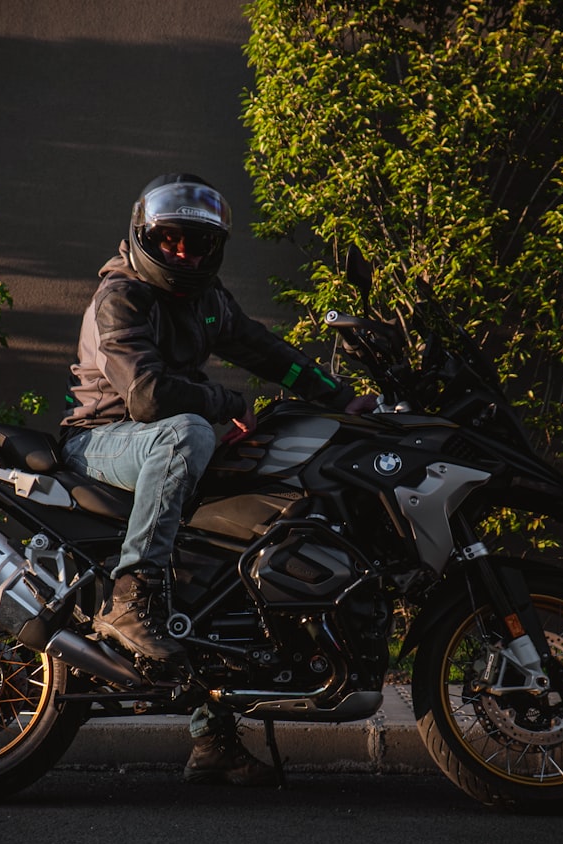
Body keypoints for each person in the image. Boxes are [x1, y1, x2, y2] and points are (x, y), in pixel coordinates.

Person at [61, 173, 370, 785]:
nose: (182, 253)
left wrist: (341, 397)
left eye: (194, 244)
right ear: (146, 234)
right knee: (190, 432)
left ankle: (213, 735)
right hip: (104, 440)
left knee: (223, 548)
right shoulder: (121, 296)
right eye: (170, 240)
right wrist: (226, 401)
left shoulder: (204, 299)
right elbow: (146, 397)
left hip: (159, 442)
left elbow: (265, 350)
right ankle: (131, 594)